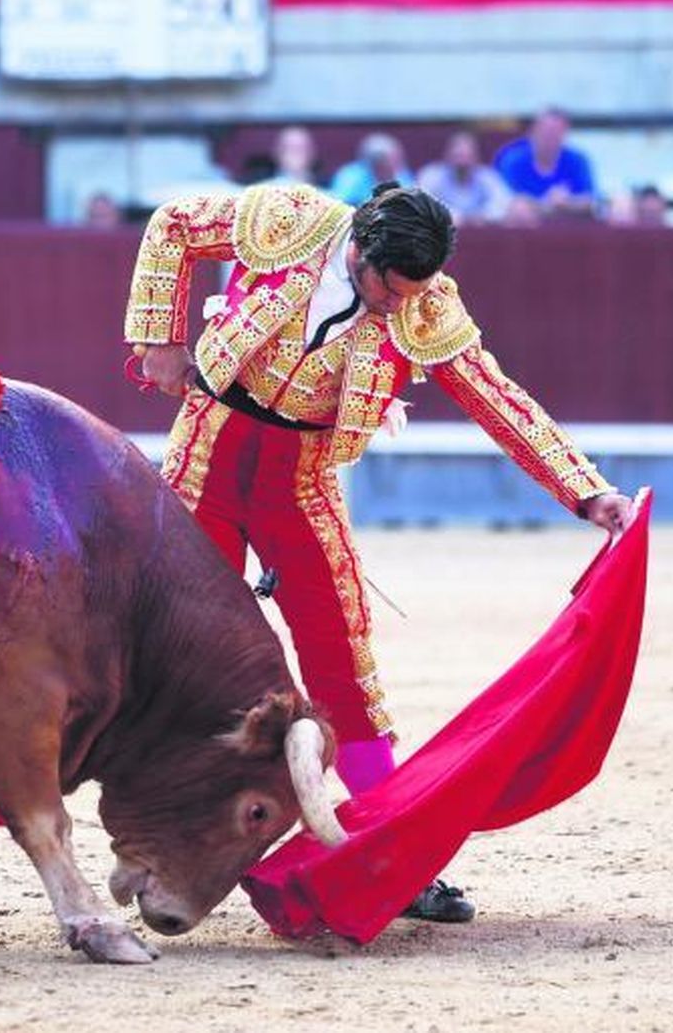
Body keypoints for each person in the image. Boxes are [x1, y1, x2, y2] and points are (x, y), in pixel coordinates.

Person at [121, 181, 633, 922]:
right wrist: (161, 341)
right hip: (207, 452)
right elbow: (171, 224)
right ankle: (145, 839)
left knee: (345, 665)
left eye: (411, 293)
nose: (398, 307)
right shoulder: (290, 221)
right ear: (356, 250)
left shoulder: (425, 301)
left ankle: (393, 856)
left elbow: (495, 395)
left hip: (300, 480)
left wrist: (587, 492)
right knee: (171, 657)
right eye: (386, 290)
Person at [493, 108, 596, 219]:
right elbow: (504, 202)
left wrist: (567, 202)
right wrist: (546, 205)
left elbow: (590, 201)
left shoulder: (577, 160)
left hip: (567, 225)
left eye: (555, 132)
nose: (549, 137)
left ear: (564, 134)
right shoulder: (513, 161)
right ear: (532, 132)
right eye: (545, 131)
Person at [416, 131, 511, 225]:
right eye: (458, 156)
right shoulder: (431, 175)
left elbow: (503, 203)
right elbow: (423, 205)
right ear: (447, 156)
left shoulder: (488, 177)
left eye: (467, 156)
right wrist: (456, 217)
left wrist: (482, 216)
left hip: (482, 230)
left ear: (476, 157)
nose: (462, 164)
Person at [328, 133, 412, 205]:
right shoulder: (351, 175)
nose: (391, 164)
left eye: (395, 159)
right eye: (382, 159)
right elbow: (339, 201)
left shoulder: (403, 174)